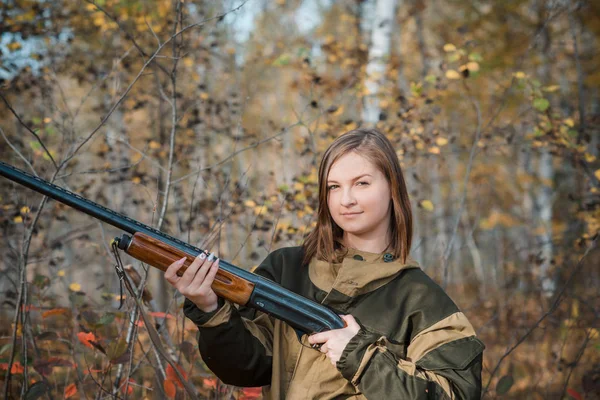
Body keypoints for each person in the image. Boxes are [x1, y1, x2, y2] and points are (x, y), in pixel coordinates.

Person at [165, 128, 485, 399]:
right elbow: (248, 366)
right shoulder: (287, 268)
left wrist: (360, 354)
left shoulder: (421, 299)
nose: (346, 199)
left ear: (392, 189)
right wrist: (210, 310)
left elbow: (454, 392)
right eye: (334, 186)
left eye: (361, 183)